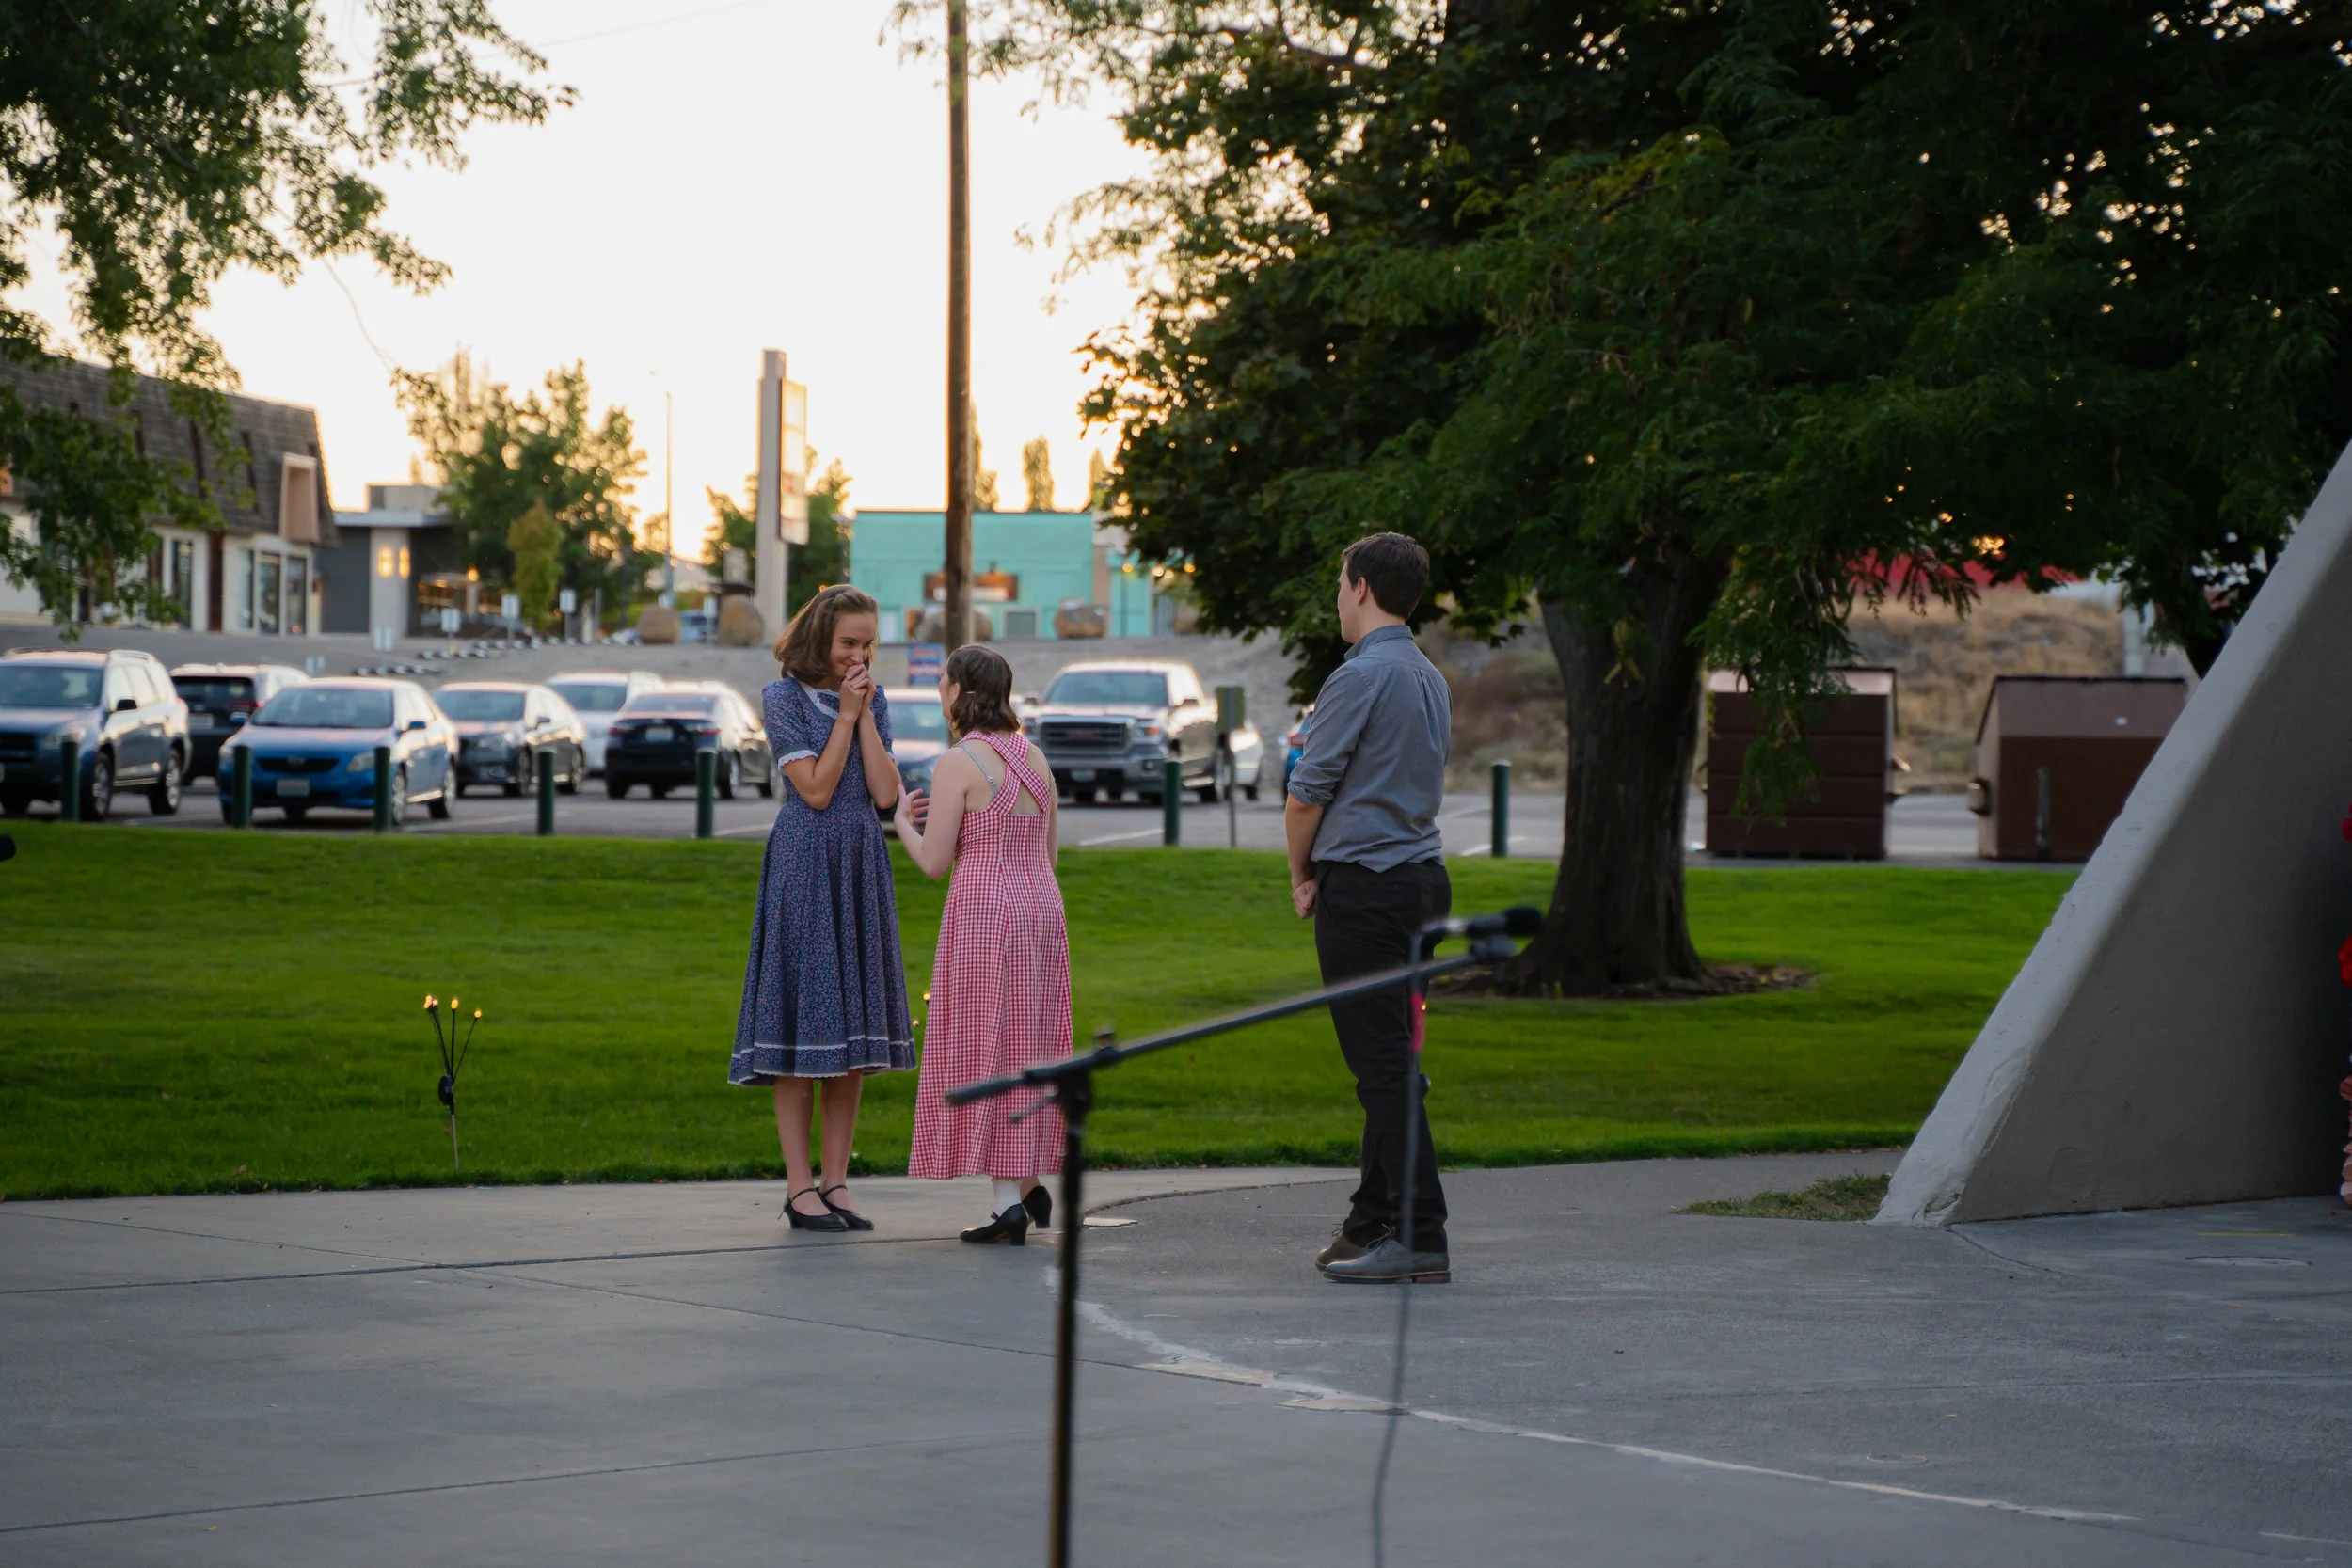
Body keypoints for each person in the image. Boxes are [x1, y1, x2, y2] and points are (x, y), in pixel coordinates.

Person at [1284, 533, 1454, 1284]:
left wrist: (1300, 872)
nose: (1337, 596)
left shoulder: (1358, 678)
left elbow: (1306, 791)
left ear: (1359, 587)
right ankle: (1370, 1220)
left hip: (1364, 886)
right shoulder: (1428, 676)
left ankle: (1419, 1233)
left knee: (1382, 1067)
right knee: (1396, 1060)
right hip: (1420, 882)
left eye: (1339, 582)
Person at [730, 584, 915, 1233]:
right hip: (806, 866)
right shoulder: (781, 698)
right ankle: (799, 1185)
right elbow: (813, 788)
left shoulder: (875, 699)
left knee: (853, 1039)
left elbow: (887, 792)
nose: (857, 655)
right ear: (820, 638)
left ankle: (837, 1181)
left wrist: (863, 716)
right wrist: (841, 716)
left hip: (860, 863)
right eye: (847, 643)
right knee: (799, 1034)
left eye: (867, 644)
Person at [895, 643, 1073, 1244]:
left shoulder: (960, 761)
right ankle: (1026, 1184)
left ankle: (1007, 1205)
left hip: (984, 911)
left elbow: (935, 862)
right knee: (1031, 1038)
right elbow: (1049, 855)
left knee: (984, 1040)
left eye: (945, 684)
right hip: (1042, 909)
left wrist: (901, 826)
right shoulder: (1037, 758)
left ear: (960, 691)